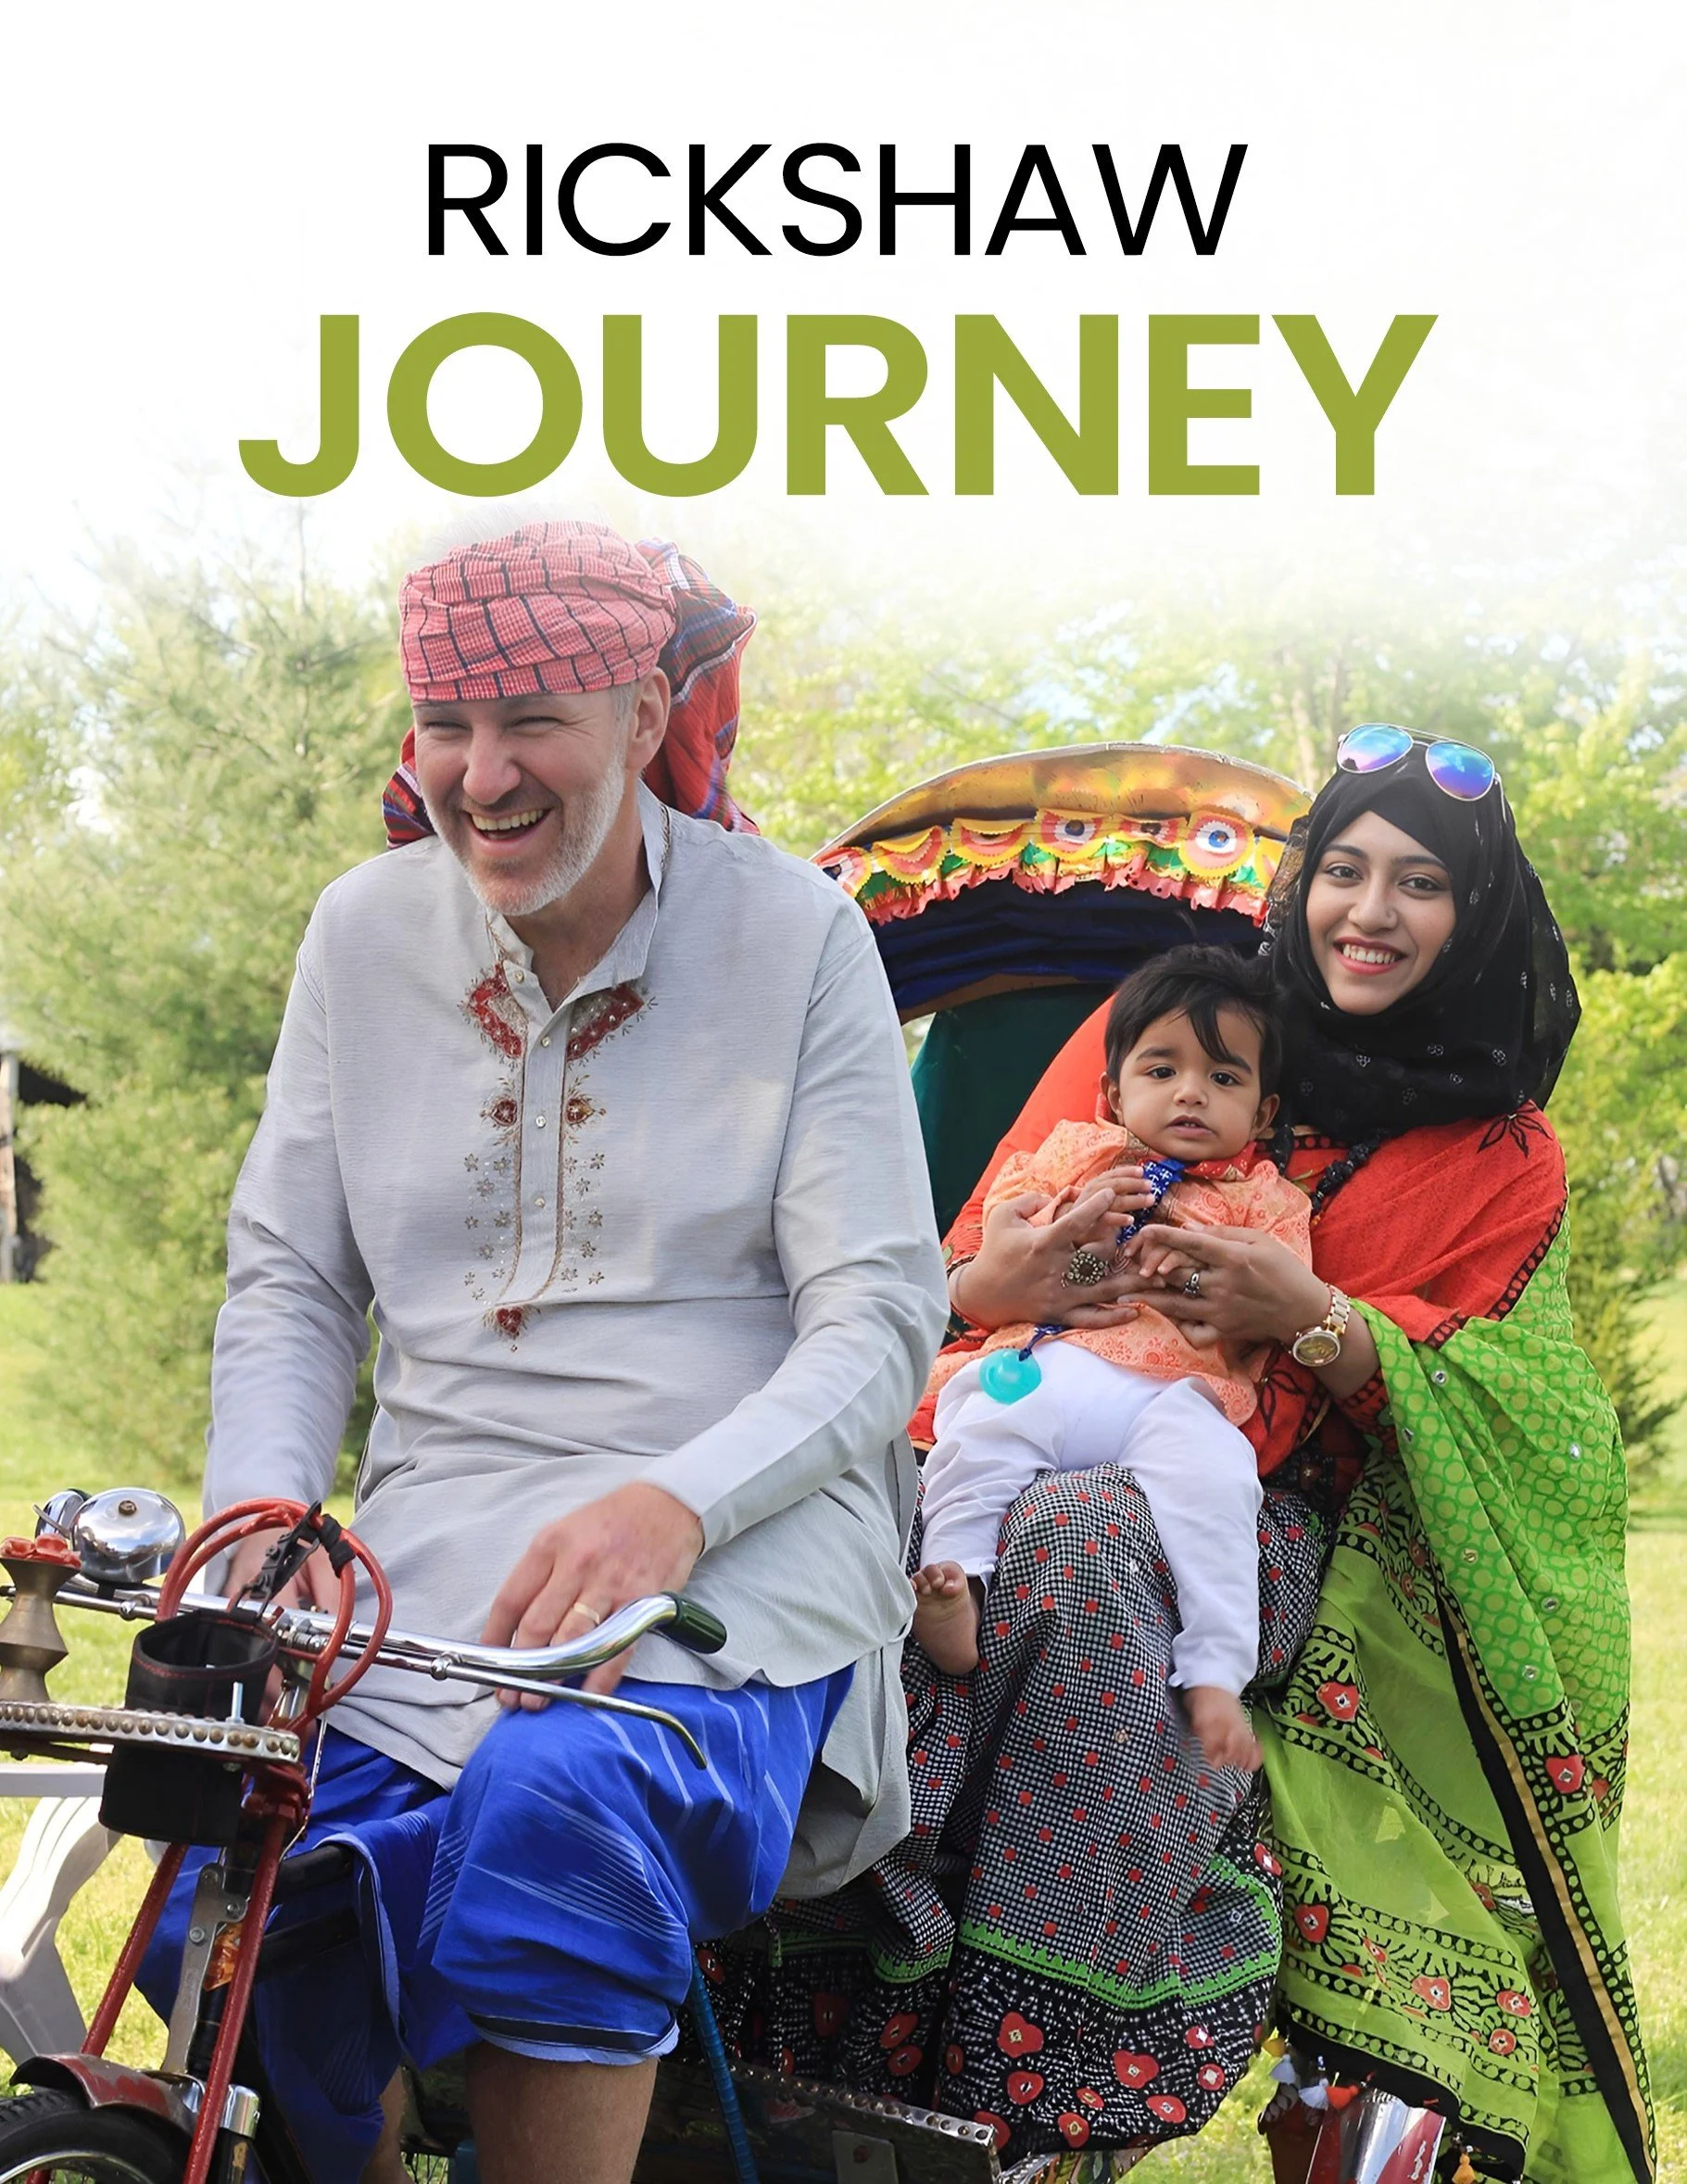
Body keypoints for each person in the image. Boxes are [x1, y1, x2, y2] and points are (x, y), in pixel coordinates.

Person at [137, 520, 948, 2184]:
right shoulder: (362, 933)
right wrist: (267, 1520)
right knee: (232, 1849)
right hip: (436, 1536)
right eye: (445, 724)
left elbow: (878, 1318)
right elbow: (292, 1280)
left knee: (561, 1800)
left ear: (645, 718)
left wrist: (674, 1505)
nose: (481, 774)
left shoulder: (797, 933)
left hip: (746, 1536)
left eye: (532, 723)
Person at [723, 729, 1647, 2184]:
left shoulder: (1499, 1157)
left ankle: (1035, 2070)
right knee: (877, 1539)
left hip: (1265, 1520)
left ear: (1474, 916)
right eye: (1343, 869)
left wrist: (1318, 1321)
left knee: (1096, 1536)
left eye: (1419, 883)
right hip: (1012, 1421)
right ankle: (808, 2017)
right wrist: (996, 1282)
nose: (1369, 911)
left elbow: (1522, 1415)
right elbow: (958, 1271)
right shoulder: (1170, 1023)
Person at [911, 946, 1313, 1778]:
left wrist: (1198, 1266)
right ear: (1113, 1092)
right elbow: (1005, 1233)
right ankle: (958, 1579)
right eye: (1162, 1070)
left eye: (1224, 1078)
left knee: (1217, 1483)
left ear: (1263, 1112)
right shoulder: (1072, 1154)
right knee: (979, 1433)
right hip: (1054, 1366)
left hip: (1175, 1390)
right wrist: (1081, 1221)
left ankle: (1215, 1667)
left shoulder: (1266, 1198)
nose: (1190, 1092)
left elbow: (1278, 1295)